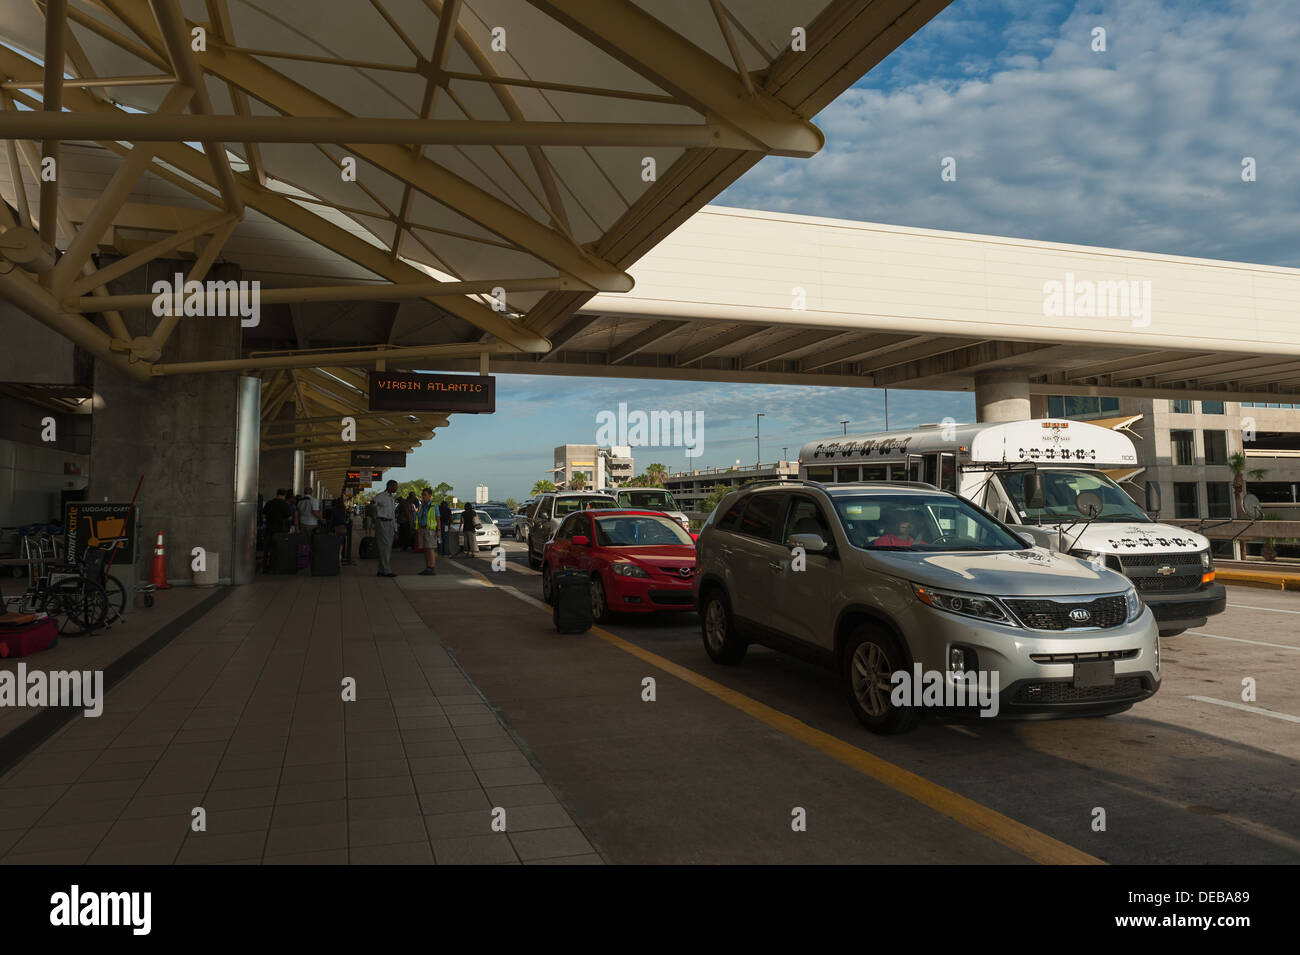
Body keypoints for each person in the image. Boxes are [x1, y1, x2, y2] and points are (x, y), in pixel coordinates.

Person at [261, 488, 294, 573]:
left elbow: (263, 516)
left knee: (267, 549)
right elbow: (289, 518)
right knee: (278, 549)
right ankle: (276, 567)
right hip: (280, 530)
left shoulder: (269, 503)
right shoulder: (285, 505)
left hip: (269, 528)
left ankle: (265, 567)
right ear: (284, 495)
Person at [373, 480, 398, 577]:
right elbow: (372, 505)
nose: (396, 488)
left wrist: (395, 529)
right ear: (390, 486)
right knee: (385, 547)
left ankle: (381, 570)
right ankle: (387, 571)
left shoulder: (391, 498)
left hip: (390, 522)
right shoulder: (381, 496)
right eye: (395, 486)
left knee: (386, 547)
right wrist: (375, 517)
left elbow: (392, 514)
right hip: (382, 522)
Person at [414, 487, 439, 575]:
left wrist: (438, 530)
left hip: (430, 530)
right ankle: (428, 567)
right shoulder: (421, 506)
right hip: (422, 529)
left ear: (430, 496)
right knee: (425, 548)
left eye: (425, 495)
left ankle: (431, 567)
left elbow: (438, 518)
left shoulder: (433, 506)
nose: (423, 497)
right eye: (422, 495)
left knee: (430, 548)